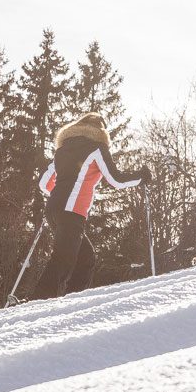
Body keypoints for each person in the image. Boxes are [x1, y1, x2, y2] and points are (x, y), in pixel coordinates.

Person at [33, 113, 150, 300]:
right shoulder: (97, 147)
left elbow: (43, 183)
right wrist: (141, 177)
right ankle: (38, 299)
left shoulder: (62, 150)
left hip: (54, 209)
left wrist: (61, 194)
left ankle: (73, 298)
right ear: (101, 130)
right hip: (72, 211)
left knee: (85, 258)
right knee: (63, 258)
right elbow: (116, 179)